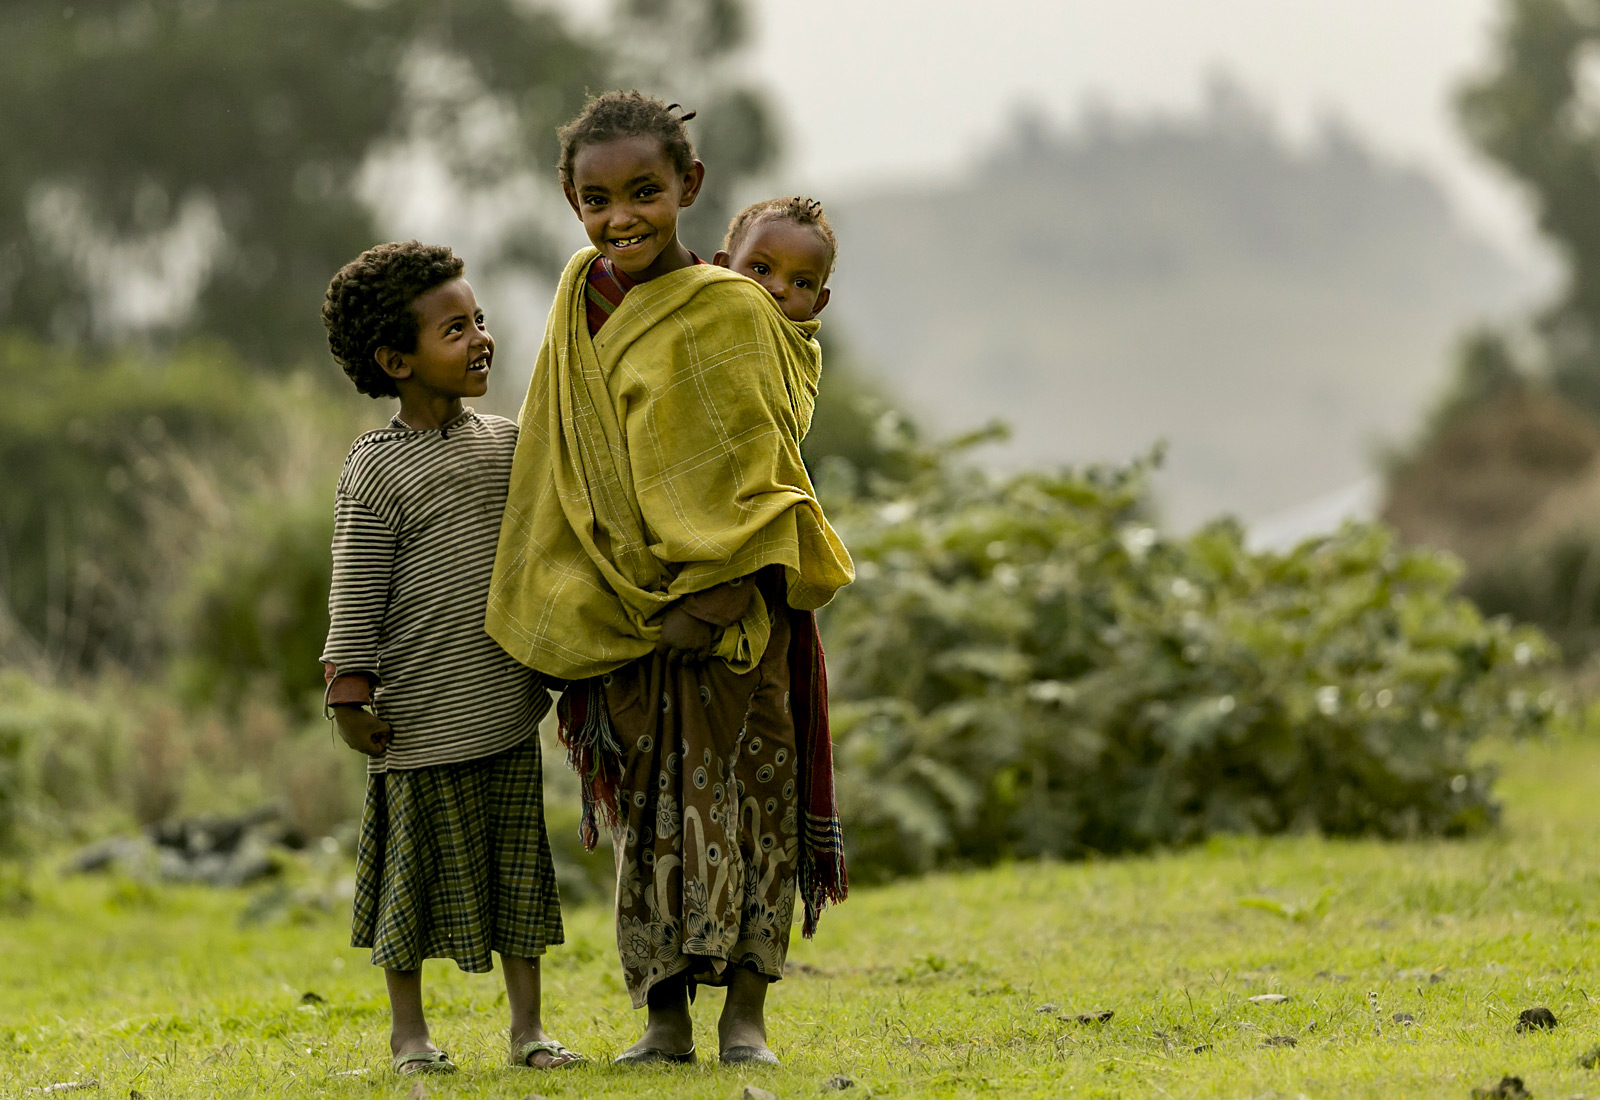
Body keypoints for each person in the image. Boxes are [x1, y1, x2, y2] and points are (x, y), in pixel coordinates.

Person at [486, 91, 855, 1067]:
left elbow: (759, 462)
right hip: (625, 613)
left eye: (644, 192)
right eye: (596, 198)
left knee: (750, 802)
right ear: (570, 201)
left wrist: (723, 586)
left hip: (735, 613)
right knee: (649, 814)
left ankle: (746, 1020)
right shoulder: (579, 298)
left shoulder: (730, 306)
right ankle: (663, 1021)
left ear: (687, 186)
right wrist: (597, 587)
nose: (621, 218)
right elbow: (566, 454)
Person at [319, 241, 581, 1076]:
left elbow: (548, 550)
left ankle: (529, 1031)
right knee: (411, 882)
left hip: (501, 708)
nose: (479, 339)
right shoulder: (376, 469)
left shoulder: (508, 444)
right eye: (453, 329)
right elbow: (356, 588)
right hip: (419, 720)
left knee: (519, 877)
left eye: (480, 321)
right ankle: (410, 1035)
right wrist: (349, 693)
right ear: (395, 360)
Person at [715, 195, 837, 323]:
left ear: (818, 304)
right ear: (724, 268)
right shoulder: (698, 322)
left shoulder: (800, 343)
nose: (778, 290)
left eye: (800, 283)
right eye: (761, 270)